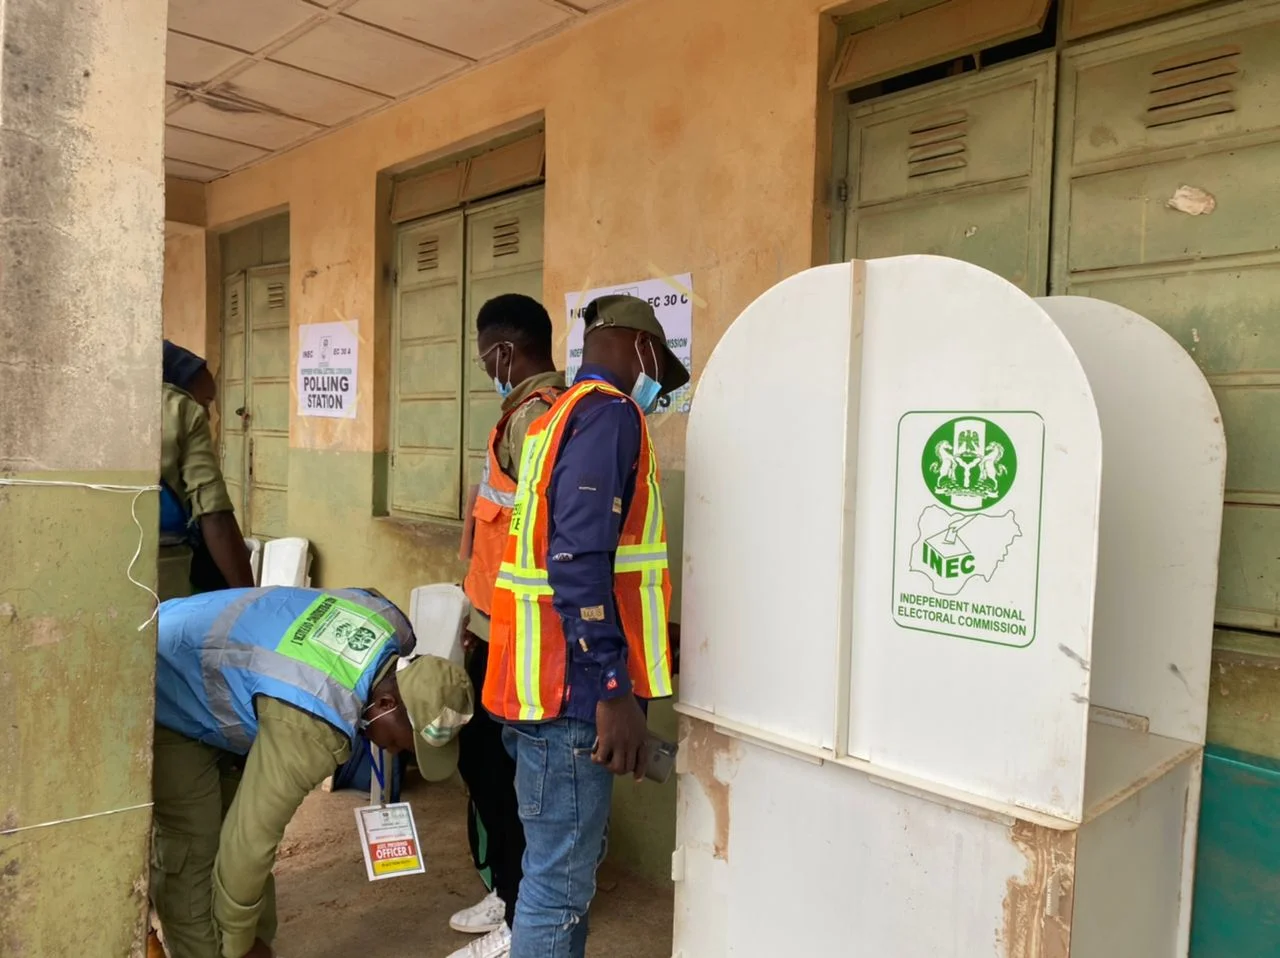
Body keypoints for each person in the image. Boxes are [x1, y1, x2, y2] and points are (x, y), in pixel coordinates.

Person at [485, 294, 689, 958]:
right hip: (572, 696)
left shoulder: (555, 418)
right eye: (659, 371)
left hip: (538, 686)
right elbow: (576, 561)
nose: (655, 391)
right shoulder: (610, 413)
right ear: (642, 347)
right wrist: (612, 687)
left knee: (561, 876)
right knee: (558, 891)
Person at [150, 586, 474, 958]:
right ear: (386, 702)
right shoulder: (313, 724)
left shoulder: (386, 623)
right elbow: (250, 843)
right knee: (193, 849)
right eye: (402, 742)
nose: (394, 751)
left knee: (232, 830)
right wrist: (240, 946)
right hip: (164, 676)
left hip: (201, 641)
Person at [450, 294, 566, 958]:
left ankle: (523, 913)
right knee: (484, 764)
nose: (485, 370)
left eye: (483, 359)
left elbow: (542, 539)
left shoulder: (536, 419)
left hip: (519, 639)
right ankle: (509, 888)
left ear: (502, 351)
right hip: (494, 628)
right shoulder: (520, 414)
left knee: (506, 774)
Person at [160, 340, 254, 599]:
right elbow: (215, 515)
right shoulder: (181, 411)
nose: (209, 417)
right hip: (164, 589)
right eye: (205, 403)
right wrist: (249, 600)